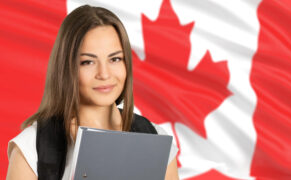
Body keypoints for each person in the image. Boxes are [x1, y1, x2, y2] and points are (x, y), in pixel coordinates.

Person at [6, 4, 179, 180]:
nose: (104, 74)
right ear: (66, 67)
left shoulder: (155, 138)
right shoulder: (32, 148)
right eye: (88, 62)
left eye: (115, 59)